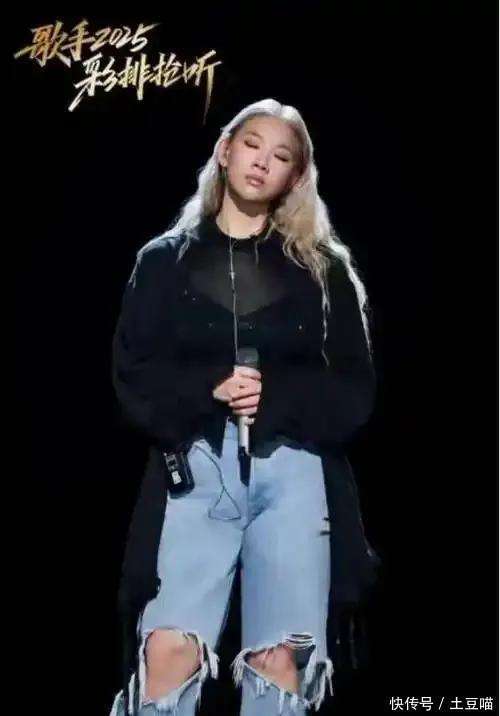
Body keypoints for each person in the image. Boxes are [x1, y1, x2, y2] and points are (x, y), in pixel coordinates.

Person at [109, 98, 381, 716]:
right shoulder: (163, 261)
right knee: (169, 652)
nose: (262, 162)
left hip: (294, 474)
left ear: (295, 176)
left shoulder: (322, 271)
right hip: (194, 472)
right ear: (225, 150)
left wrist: (274, 396)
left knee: (280, 661)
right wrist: (209, 387)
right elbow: (132, 377)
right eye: (252, 145)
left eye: (281, 156)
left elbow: (354, 392)